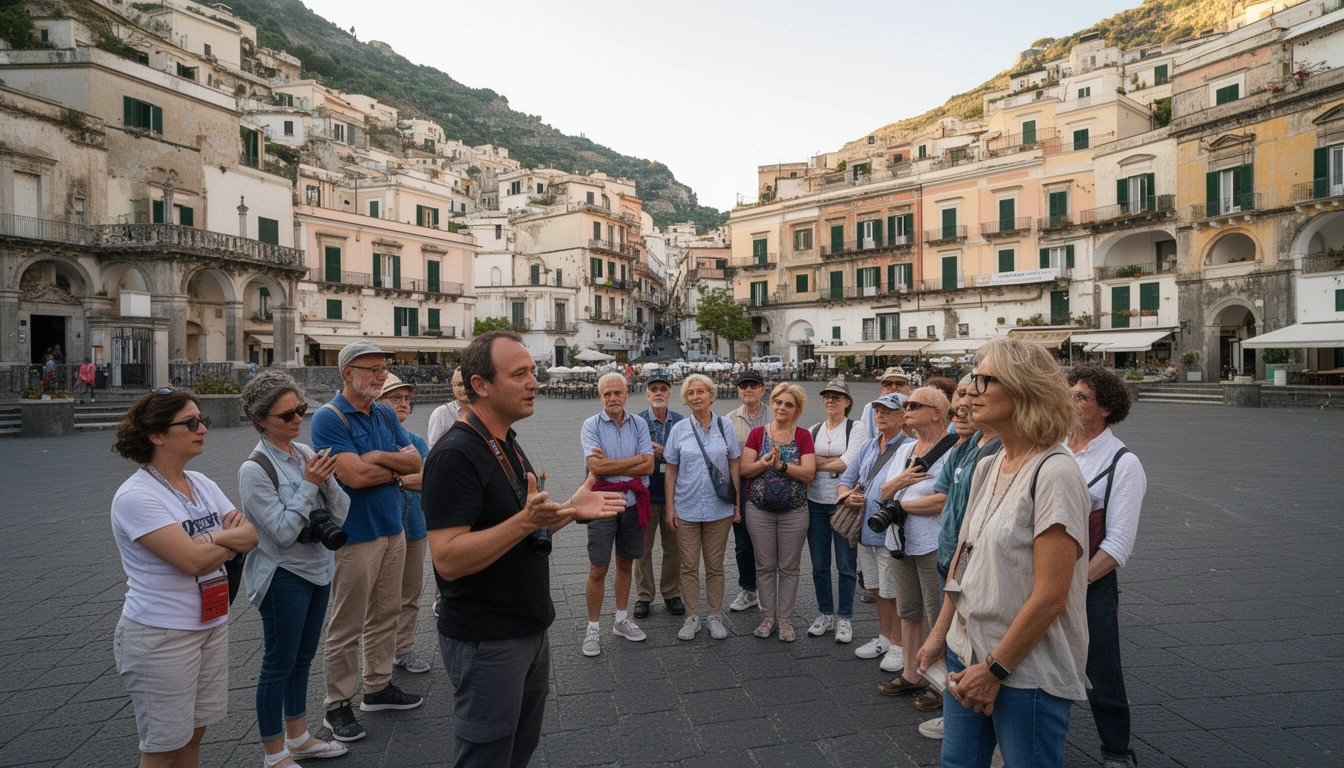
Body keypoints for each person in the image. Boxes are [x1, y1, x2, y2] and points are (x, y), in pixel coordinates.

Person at [422, 331, 626, 768]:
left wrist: (570, 509)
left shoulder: (507, 442)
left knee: (518, 751)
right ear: (481, 384)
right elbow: (448, 558)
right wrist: (527, 520)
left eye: (533, 371)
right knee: (487, 756)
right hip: (487, 637)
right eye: (520, 374)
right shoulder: (455, 454)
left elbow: (524, 529)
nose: (535, 382)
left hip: (527, 626)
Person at [915, 337, 1091, 768]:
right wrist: (940, 633)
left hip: (1022, 668)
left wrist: (994, 671)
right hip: (966, 649)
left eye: (983, 379)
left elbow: (1052, 595)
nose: (969, 390)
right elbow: (964, 556)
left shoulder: (1056, 473)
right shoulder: (990, 464)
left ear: (1024, 389)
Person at [110, 389, 258, 767]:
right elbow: (191, 561)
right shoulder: (136, 496)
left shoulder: (201, 482)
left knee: (195, 734)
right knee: (164, 748)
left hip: (211, 623)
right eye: (190, 423)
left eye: (202, 420)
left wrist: (210, 541)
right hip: (161, 634)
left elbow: (250, 536)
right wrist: (224, 543)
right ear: (156, 434)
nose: (203, 428)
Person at [310, 341, 424, 742]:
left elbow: (416, 464)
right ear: (347, 373)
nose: (381, 375)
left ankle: (377, 687)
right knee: (347, 622)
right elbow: (353, 477)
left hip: (393, 527)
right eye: (373, 368)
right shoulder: (328, 418)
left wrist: (375, 459)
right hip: (355, 534)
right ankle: (336, 705)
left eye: (383, 367)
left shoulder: (382, 412)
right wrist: (388, 465)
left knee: (386, 613)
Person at [239, 371, 350, 766]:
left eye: (300, 411)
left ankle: (299, 736)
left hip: (319, 567)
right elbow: (284, 533)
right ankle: (274, 753)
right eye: (286, 415)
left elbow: (339, 513)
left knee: (303, 658)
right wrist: (308, 485)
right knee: (277, 664)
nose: (296, 420)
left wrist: (329, 481)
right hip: (284, 574)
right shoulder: (254, 470)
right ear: (260, 419)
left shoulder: (304, 454)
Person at [1066, 365, 1148, 768]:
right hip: (1041, 577)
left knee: (1102, 674)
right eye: (1070, 393)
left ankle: (1117, 752)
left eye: (1081, 396)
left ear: (1106, 409)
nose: (1070, 400)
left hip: (1089, 583)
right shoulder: (1053, 448)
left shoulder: (1123, 463)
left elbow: (1118, 545)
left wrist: (1070, 586)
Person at [920, 374, 1002, 737]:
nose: (964, 403)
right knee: (956, 643)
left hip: (974, 564)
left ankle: (991, 726)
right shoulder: (965, 444)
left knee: (978, 647)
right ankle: (960, 715)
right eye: (961, 394)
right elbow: (949, 499)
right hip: (951, 555)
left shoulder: (998, 450)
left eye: (974, 394)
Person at [876, 387, 952, 701]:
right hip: (901, 540)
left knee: (937, 615)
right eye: (906, 405)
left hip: (932, 542)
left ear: (937, 412)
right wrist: (903, 482)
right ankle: (911, 673)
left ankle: (939, 682)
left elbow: (946, 500)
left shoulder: (953, 449)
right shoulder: (908, 448)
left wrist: (903, 505)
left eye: (914, 404)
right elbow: (884, 490)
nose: (906, 409)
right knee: (909, 611)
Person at [578, 372, 654, 656]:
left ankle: (621, 620)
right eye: (607, 394)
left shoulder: (640, 424)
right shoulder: (591, 425)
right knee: (598, 567)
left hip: (633, 502)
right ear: (601, 397)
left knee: (625, 564)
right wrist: (636, 459)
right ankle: (593, 627)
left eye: (617, 393)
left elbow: (649, 468)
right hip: (602, 502)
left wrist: (610, 463)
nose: (612, 399)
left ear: (626, 394)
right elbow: (595, 468)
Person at [663, 374, 741, 640]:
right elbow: (671, 470)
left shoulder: (725, 425)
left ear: (711, 395)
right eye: (691, 393)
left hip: (719, 508)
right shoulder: (679, 429)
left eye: (700, 392)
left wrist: (737, 504)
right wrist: (670, 507)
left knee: (715, 566)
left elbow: (734, 465)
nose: (696, 397)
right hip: (686, 507)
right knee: (687, 565)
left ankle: (715, 616)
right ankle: (692, 616)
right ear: (686, 399)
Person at [740, 383, 816, 642]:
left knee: (789, 568)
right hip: (759, 510)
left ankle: (785, 619)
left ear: (797, 409)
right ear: (772, 404)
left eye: (788, 404)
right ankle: (768, 616)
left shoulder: (803, 435)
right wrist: (763, 463)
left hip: (794, 511)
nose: (782, 408)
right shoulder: (758, 434)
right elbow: (744, 470)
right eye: (778, 402)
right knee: (764, 566)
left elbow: (808, 474)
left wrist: (782, 466)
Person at [839, 394, 907, 671]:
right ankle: (884, 637)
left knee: (895, 592)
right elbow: (845, 480)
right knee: (877, 589)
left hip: (890, 532)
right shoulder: (868, 445)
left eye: (889, 411)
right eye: (878, 410)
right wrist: (847, 497)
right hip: (865, 531)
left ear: (903, 416)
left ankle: (900, 646)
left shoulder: (909, 447)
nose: (880, 415)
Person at [378, 374, 434, 675]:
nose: (404, 404)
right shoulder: (372, 441)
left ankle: (404, 648)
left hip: (415, 525)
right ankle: (379, 656)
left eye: (407, 399)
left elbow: (428, 480)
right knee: (382, 600)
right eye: (395, 398)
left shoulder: (415, 442)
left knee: (410, 594)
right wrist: (405, 476)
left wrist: (391, 478)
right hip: (383, 528)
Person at [804, 379, 867, 642]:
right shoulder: (813, 429)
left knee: (845, 565)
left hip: (843, 504)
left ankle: (845, 618)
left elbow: (849, 463)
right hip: (815, 502)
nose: (831, 400)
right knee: (819, 565)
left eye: (837, 397)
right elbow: (804, 461)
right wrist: (831, 463)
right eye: (827, 396)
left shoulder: (857, 427)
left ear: (847, 402)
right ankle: (825, 613)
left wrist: (818, 463)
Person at [633, 373, 685, 620]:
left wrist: (664, 452)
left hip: (674, 495)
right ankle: (644, 596)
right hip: (644, 494)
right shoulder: (637, 422)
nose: (658, 393)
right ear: (647, 394)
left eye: (663, 389)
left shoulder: (680, 421)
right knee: (642, 549)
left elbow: (688, 454)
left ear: (670, 393)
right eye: (654, 389)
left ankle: (671, 593)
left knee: (673, 548)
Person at [725, 370, 770, 612]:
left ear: (762, 389)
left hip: (773, 485)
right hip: (742, 486)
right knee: (743, 543)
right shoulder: (730, 419)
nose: (748, 390)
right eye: (743, 386)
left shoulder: (776, 414)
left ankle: (768, 590)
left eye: (753, 385)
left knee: (769, 541)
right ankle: (748, 589)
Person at [859, 367, 911, 438]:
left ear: (907, 387)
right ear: (882, 388)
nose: (893, 387)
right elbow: (864, 437)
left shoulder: (915, 407)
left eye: (899, 384)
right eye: (888, 384)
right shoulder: (870, 408)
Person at [428, 369, 470, 448]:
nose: (464, 388)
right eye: (460, 384)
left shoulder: (485, 412)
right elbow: (433, 446)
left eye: (467, 384)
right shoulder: (441, 413)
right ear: (453, 387)